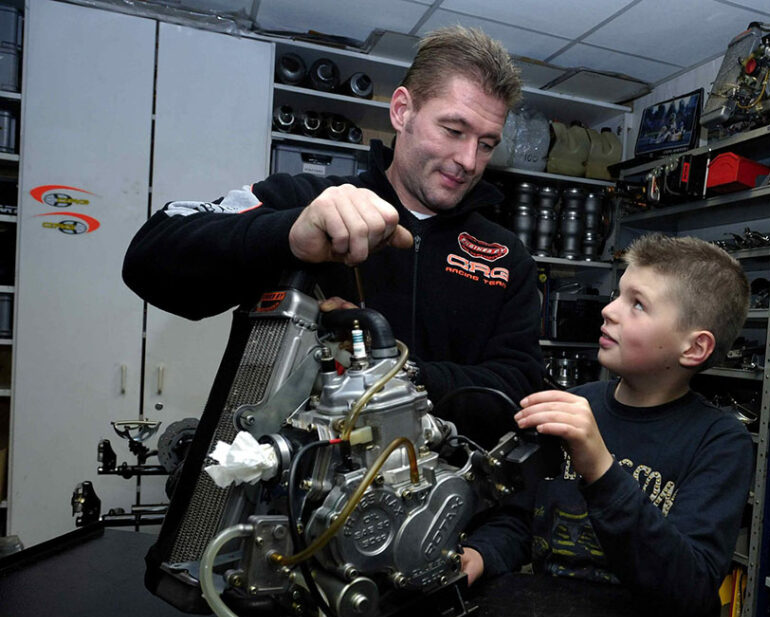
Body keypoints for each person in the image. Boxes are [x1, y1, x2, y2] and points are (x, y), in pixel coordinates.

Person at [121, 26, 543, 416]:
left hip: (438, 490)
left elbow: (518, 391)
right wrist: (287, 235)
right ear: (402, 111)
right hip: (293, 484)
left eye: (486, 144)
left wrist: (388, 369)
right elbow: (149, 258)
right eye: (453, 130)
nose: (469, 161)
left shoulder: (505, 258)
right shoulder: (305, 199)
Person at [460, 233, 754, 617]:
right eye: (617, 294)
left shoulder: (719, 442)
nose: (609, 310)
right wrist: (479, 554)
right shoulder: (576, 405)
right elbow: (520, 519)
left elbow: (689, 590)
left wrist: (600, 469)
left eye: (637, 304)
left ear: (694, 348)